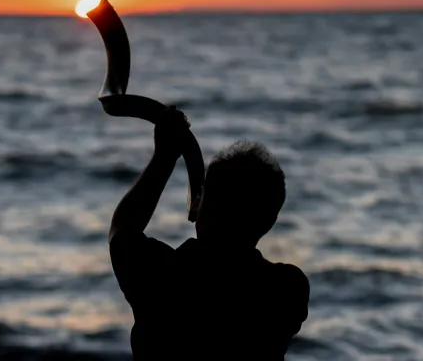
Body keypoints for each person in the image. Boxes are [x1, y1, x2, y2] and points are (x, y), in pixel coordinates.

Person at [109, 107, 309, 360]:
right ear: (269, 222)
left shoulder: (160, 275)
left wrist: (164, 156)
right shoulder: (286, 291)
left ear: (200, 206)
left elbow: (122, 229)